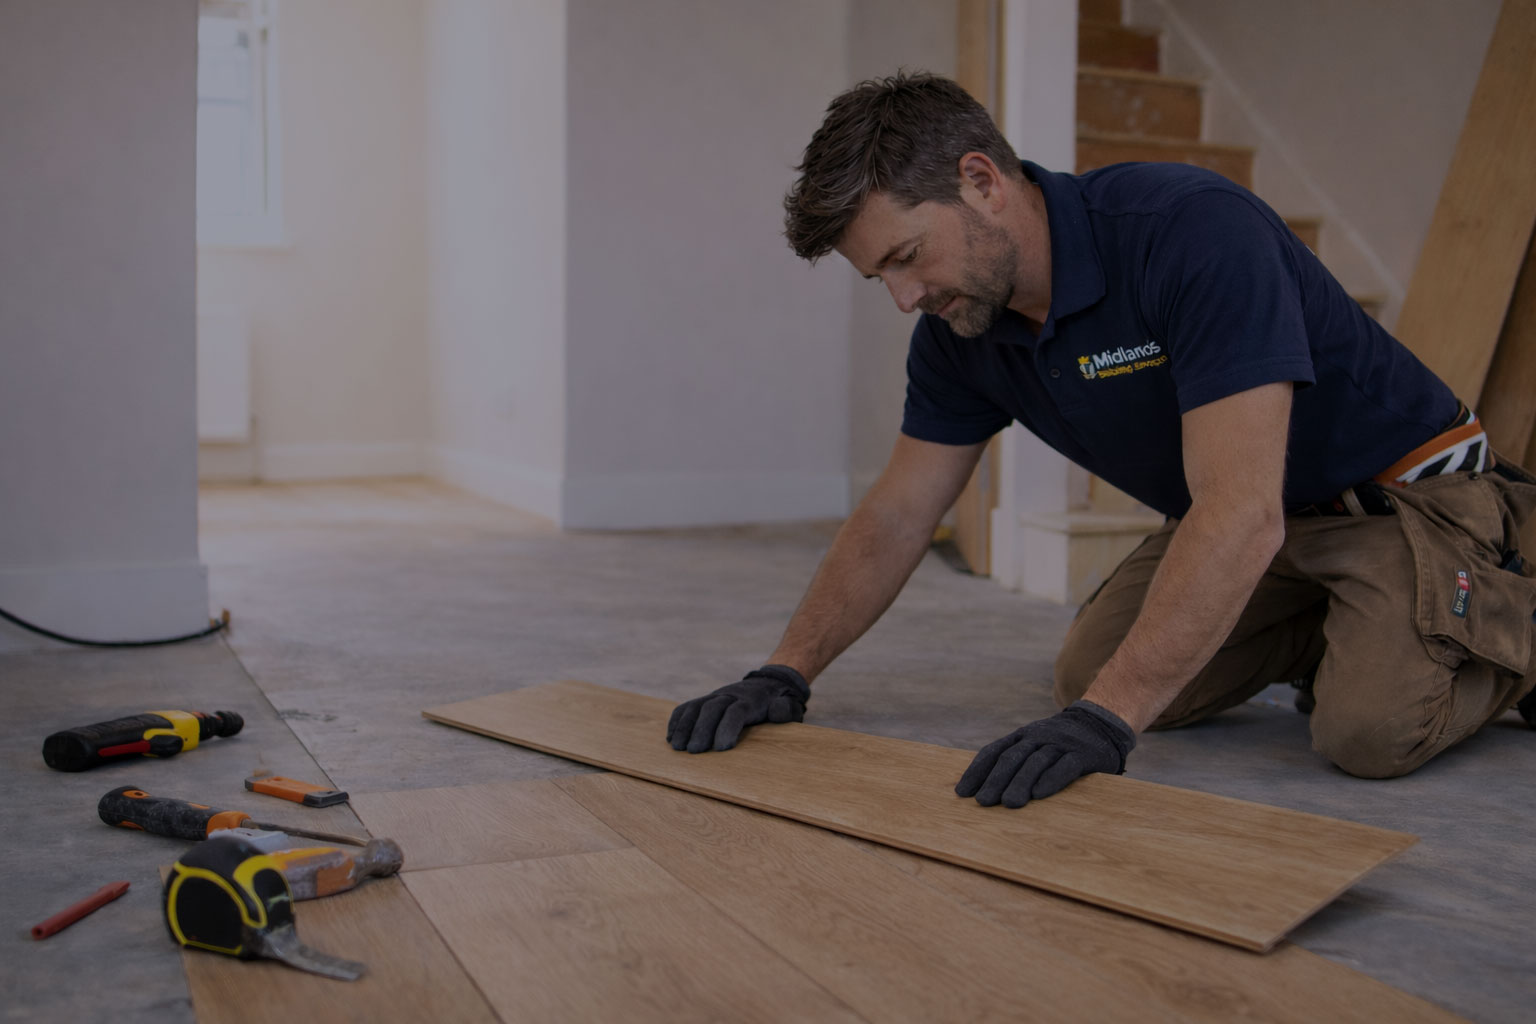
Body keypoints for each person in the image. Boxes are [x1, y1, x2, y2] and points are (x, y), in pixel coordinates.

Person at [666, 71, 1536, 808]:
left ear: (981, 180)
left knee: (1368, 730)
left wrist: (1107, 724)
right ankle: (1354, 622)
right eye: (878, 277)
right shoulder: (961, 331)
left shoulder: (1191, 234)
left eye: (906, 256)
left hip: (1404, 502)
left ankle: (1511, 615)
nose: (903, 296)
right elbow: (900, 512)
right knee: (1091, 668)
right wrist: (786, 670)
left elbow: (1238, 509)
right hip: (1269, 526)